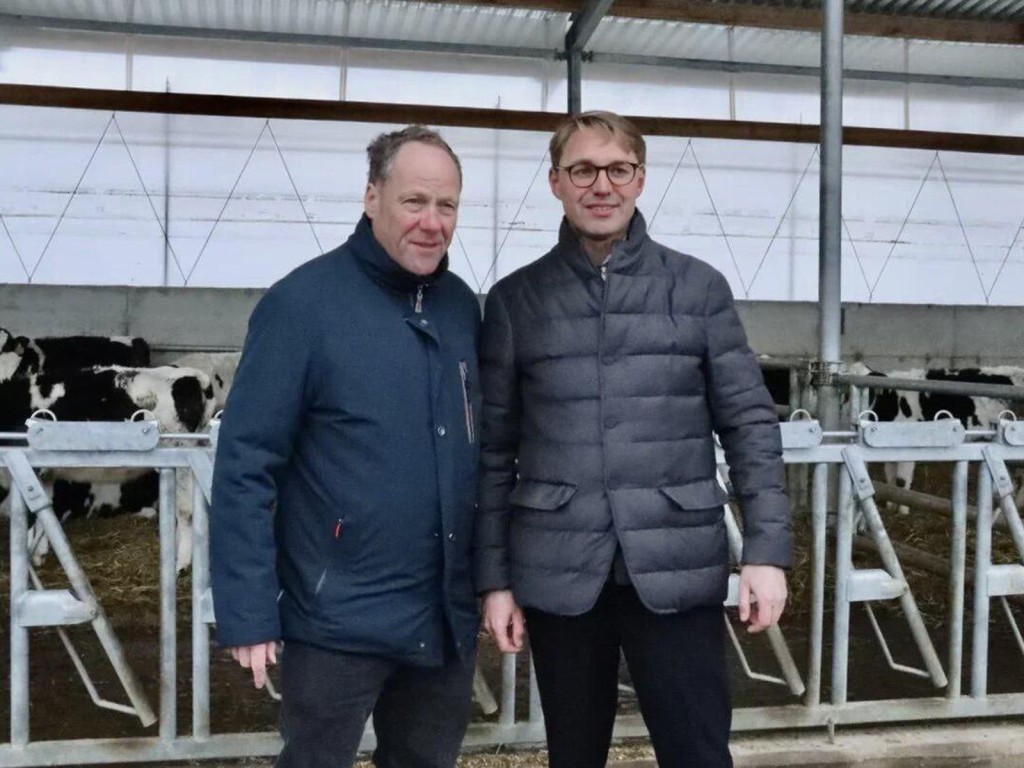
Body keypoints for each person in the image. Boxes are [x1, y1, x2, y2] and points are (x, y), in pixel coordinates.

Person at [474, 111, 792, 768]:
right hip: (562, 568)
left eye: (618, 169)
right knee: (574, 753)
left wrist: (766, 553)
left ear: (641, 179)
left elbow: (750, 425)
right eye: (583, 170)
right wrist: (496, 580)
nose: (602, 186)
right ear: (556, 182)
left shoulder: (698, 289)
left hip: (675, 560)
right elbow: (493, 452)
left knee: (697, 751)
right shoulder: (515, 301)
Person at [210, 125, 481, 768]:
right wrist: (249, 611)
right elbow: (247, 464)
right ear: (371, 197)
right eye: (415, 202)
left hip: (442, 614)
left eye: (446, 206)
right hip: (336, 616)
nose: (432, 223)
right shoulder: (302, 306)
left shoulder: (461, 309)